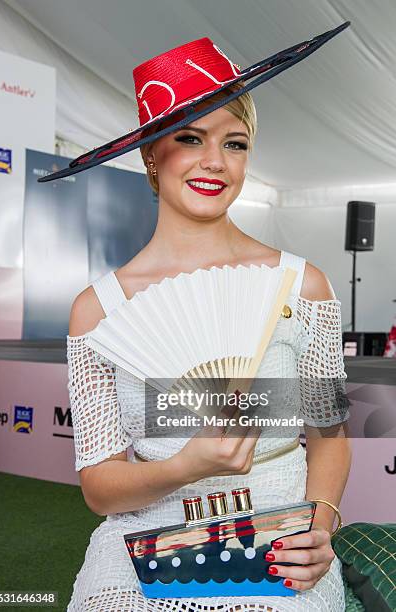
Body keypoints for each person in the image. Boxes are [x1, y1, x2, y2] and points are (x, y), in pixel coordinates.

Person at [62, 28, 352, 612]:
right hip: (144, 541)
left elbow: (330, 438)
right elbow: (100, 485)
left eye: (236, 143)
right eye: (190, 138)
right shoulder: (98, 311)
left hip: (280, 535)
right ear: (150, 152)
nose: (215, 162)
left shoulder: (305, 286)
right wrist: (185, 465)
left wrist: (319, 527)